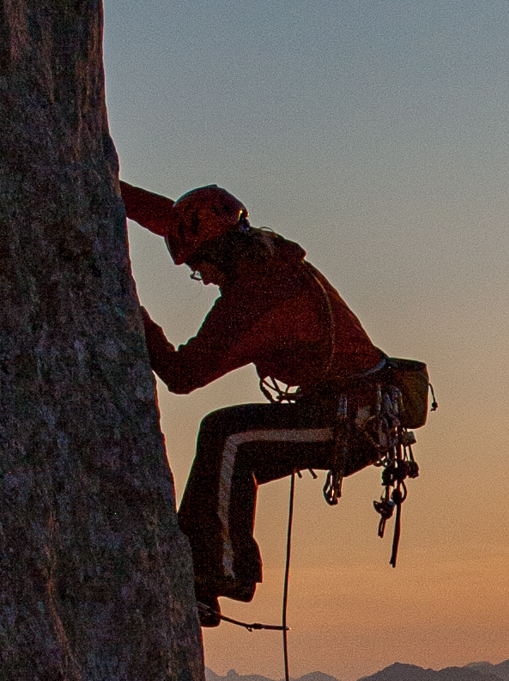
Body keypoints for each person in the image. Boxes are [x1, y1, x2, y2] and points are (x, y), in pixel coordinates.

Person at [121, 179, 392, 624]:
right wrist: (106, 187)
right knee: (229, 437)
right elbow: (177, 220)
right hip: (351, 409)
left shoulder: (256, 298)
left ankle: (215, 577)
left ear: (220, 253)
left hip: (349, 417)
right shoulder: (267, 260)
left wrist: (132, 312)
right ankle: (206, 568)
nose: (203, 277)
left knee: (229, 437)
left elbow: (183, 374)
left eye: (199, 266)